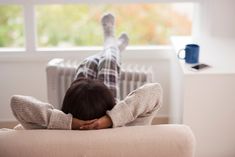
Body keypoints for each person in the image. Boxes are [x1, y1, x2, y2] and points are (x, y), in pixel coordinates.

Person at [10, 13, 163, 130]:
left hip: (77, 116)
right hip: (111, 118)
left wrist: (70, 123)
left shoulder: (54, 131)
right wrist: (109, 120)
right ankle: (111, 43)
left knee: (89, 63)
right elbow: (155, 90)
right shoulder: (129, 127)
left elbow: (17, 103)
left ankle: (113, 46)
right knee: (108, 61)